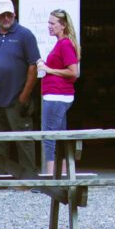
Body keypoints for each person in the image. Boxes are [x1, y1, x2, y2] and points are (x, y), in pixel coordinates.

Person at [0, 0, 43, 177]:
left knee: (23, 139)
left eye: (9, 14)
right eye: (2, 15)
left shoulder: (25, 35)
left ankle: (28, 179)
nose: (6, 18)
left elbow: (33, 66)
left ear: (15, 14)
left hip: (16, 98)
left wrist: (24, 96)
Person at [39, 9, 81, 175]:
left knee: (49, 136)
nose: (49, 26)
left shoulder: (64, 44)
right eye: (48, 23)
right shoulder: (62, 43)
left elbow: (74, 72)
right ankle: (62, 175)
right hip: (59, 96)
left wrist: (49, 69)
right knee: (60, 136)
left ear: (62, 26)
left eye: (52, 23)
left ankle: (51, 176)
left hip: (57, 95)